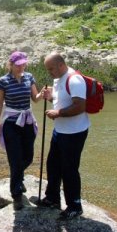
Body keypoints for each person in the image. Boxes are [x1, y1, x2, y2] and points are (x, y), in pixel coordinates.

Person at [38, 52, 90, 220]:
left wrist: (58, 113)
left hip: (74, 132)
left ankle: (75, 206)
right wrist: (50, 96)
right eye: (48, 69)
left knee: (69, 169)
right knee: (53, 164)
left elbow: (80, 106)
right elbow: (61, 98)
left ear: (61, 65)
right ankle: (53, 198)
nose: (49, 72)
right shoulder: (58, 78)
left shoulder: (75, 80)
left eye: (51, 68)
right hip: (60, 131)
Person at [0, 51, 43, 210]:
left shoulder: (29, 77)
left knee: (28, 156)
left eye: (24, 63)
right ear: (11, 64)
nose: (22, 66)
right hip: (11, 123)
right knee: (15, 159)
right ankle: (16, 194)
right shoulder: (4, 81)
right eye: (18, 64)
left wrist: (44, 94)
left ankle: (18, 178)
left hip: (27, 121)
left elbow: (35, 99)